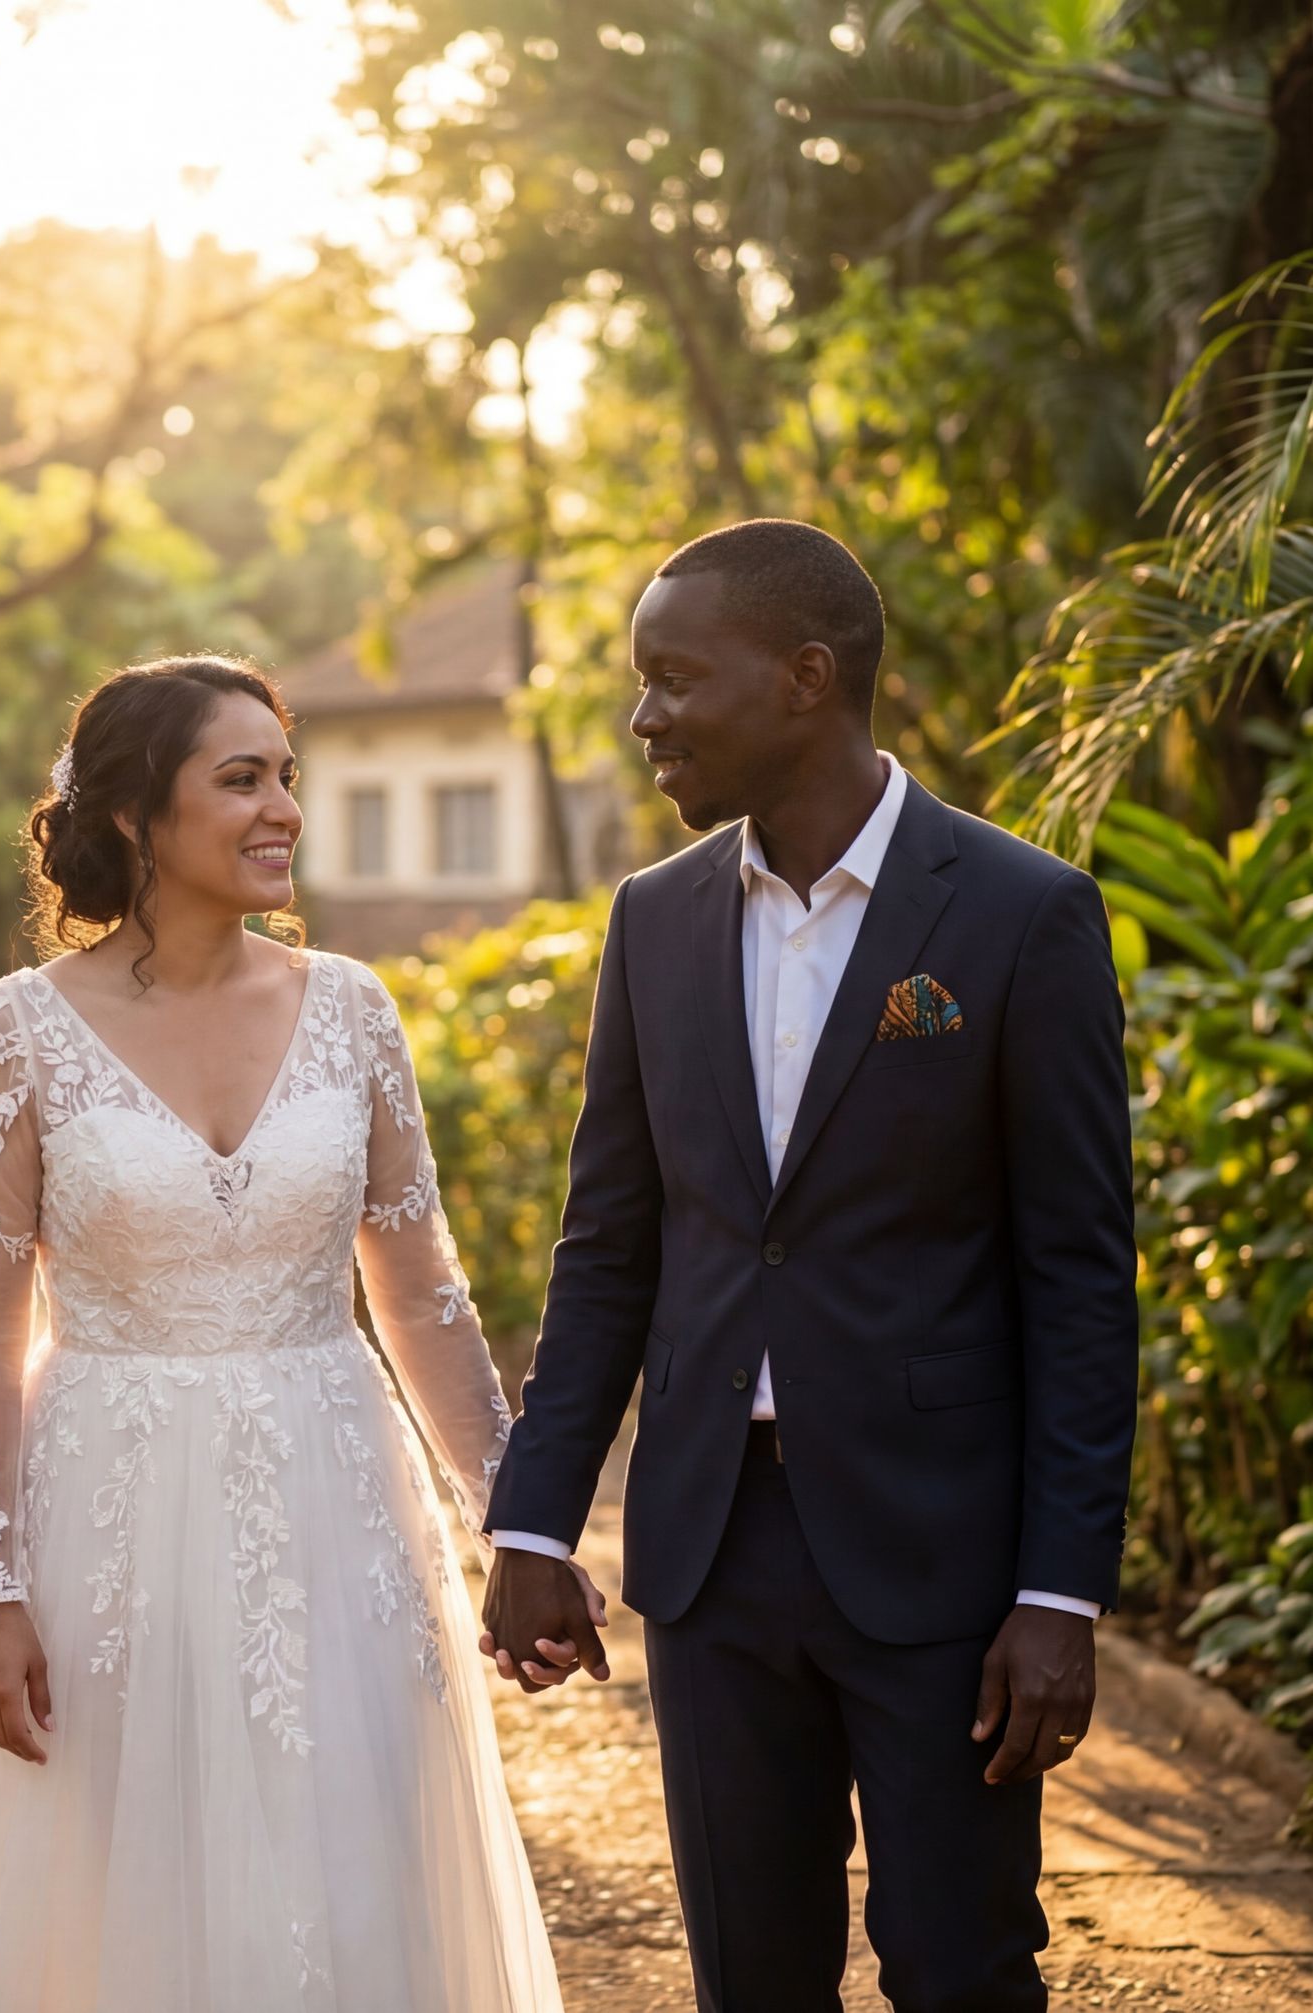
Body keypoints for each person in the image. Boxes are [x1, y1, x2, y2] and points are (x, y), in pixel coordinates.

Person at [0, 656, 587, 2012]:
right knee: (120, 1901)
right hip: (108, 1530)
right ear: (135, 814)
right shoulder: (16, 1036)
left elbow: (423, 1300)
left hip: (338, 1513)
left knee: (350, 1883)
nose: (282, 808)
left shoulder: (354, 1008)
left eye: (286, 775)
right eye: (241, 778)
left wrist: (515, 1524)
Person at [479, 521, 1139, 2013]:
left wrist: (1061, 1592)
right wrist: (533, 1516)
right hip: (713, 1555)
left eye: (671, 678)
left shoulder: (1024, 914)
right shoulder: (653, 921)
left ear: (805, 677)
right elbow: (610, 1247)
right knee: (751, 1980)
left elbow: (1083, 1277)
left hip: (943, 1561)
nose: (643, 716)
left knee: (964, 1971)